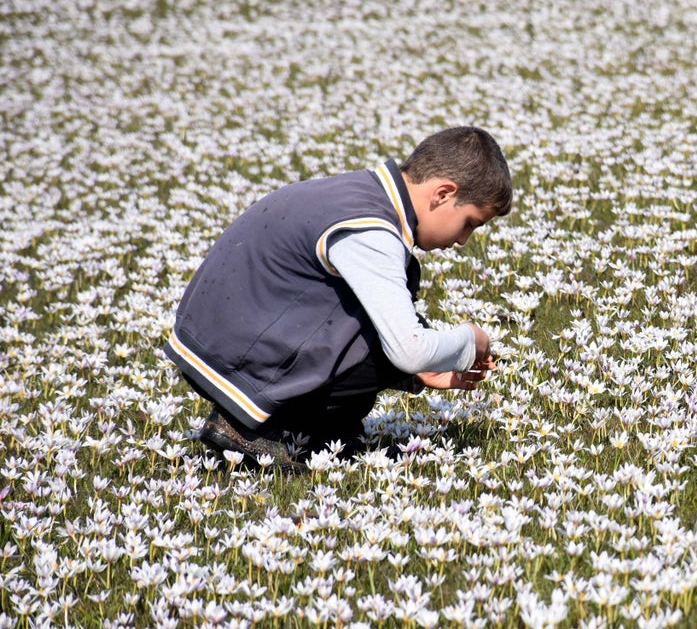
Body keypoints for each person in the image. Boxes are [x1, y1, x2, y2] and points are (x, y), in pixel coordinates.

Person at [163, 126, 512, 470]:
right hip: (237, 360)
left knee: (389, 308)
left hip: (215, 340)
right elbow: (410, 349)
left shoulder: (358, 192)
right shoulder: (373, 230)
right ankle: (264, 428)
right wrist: (471, 340)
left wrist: (416, 376)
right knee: (390, 333)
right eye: (470, 223)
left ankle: (311, 432)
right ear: (442, 194)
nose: (465, 240)